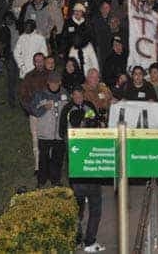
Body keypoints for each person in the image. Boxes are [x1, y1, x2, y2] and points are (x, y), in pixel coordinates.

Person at [59, 86, 106, 253]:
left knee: (81, 208)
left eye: (81, 95)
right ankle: (85, 241)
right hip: (85, 171)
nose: (79, 98)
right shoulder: (68, 111)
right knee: (91, 208)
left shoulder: (89, 107)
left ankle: (81, 240)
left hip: (81, 170)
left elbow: (100, 128)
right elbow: (61, 132)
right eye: (76, 95)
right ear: (72, 96)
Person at [31, 72, 69, 187]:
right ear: (48, 82)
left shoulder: (65, 94)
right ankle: (41, 181)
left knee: (58, 158)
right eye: (51, 82)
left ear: (60, 83)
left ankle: (56, 180)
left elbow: (68, 112)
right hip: (45, 133)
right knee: (44, 158)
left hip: (59, 134)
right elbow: (34, 111)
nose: (54, 85)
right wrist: (44, 108)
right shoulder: (40, 94)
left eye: (56, 83)